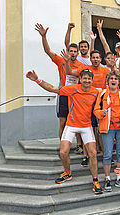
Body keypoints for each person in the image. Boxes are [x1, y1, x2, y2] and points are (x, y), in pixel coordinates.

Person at [26, 69, 103, 194]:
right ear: (80, 79)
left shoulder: (95, 92)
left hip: (86, 126)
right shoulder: (72, 89)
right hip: (71, 125)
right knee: (63, 152)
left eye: (89, 79)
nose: (87, 81)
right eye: (84, 78)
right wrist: (37, 79)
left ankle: (95, 180)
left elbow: (100, 107)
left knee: (93, 153)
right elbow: (52, 88)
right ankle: (67, 172)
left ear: (92, 80)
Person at [35, 23, 85, 153]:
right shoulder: (60, 61)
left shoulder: (80, 65)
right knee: (62, 122)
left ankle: (79, 145)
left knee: (77, 121)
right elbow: (48, 51)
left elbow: (71, 74)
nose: (73, 53)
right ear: (67, 52)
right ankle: (64, 145)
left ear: (77, 53)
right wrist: (44, 37)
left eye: (75, 51)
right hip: (63, 94)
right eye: (71, 51)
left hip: (75, 96)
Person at [94, 70, 120, 192]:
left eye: (116, 79)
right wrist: (101, 113)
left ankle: (119, 178)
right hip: (108, 127)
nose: (113, 81)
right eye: (111, 79)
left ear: (119, 82)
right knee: (108, 154)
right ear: (108, 81)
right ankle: (107, 178)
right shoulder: (102, 94)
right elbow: (96, 110)